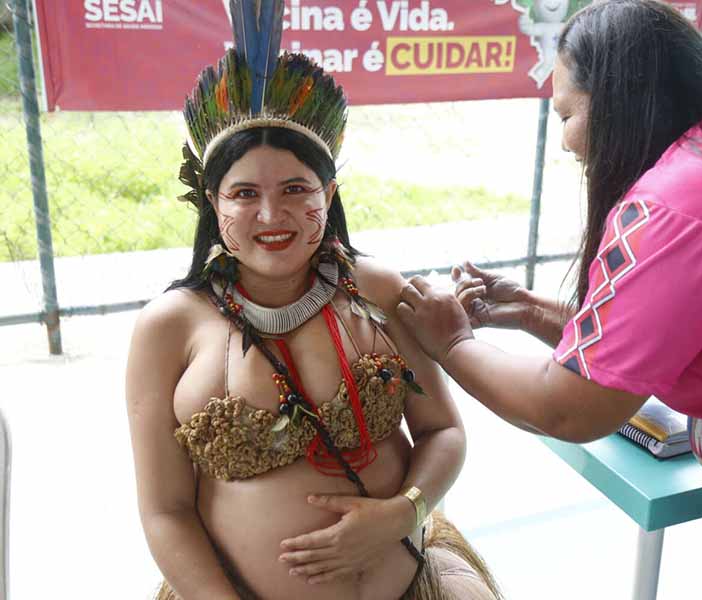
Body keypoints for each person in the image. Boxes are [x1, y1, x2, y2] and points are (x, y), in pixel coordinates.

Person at [395, 1, 702, 599]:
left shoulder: (672, 208)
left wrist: (450, 341)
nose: (564, 143)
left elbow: (569, 409)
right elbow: (668, 334)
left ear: (616, 100)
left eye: (566, 114)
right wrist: (532, 311)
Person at [125, 2, 501, 599]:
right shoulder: (169, 327)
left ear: (328, 194)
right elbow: (165, 512)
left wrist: (403, 513)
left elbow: (444, 433)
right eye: (244, 193)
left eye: (296, 189)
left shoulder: (376, 290)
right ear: (211, 203)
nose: (271, 216)